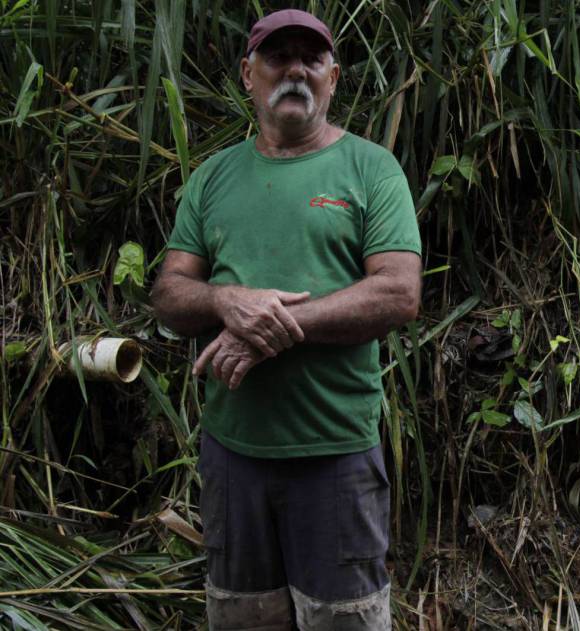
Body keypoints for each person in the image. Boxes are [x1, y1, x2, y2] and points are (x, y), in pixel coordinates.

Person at [150, 9, 421, 630]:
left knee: (342, 619)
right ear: (249, 74)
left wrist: (271, 328)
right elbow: (169, 293)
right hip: (232, 456)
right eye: (278, 57)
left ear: (333, 77)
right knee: (245, 618)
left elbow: (397, 295)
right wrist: (227, 302)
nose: (295, 69)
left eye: (311, 58)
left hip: (336, 456)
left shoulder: (372, 169)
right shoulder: (213, 177)